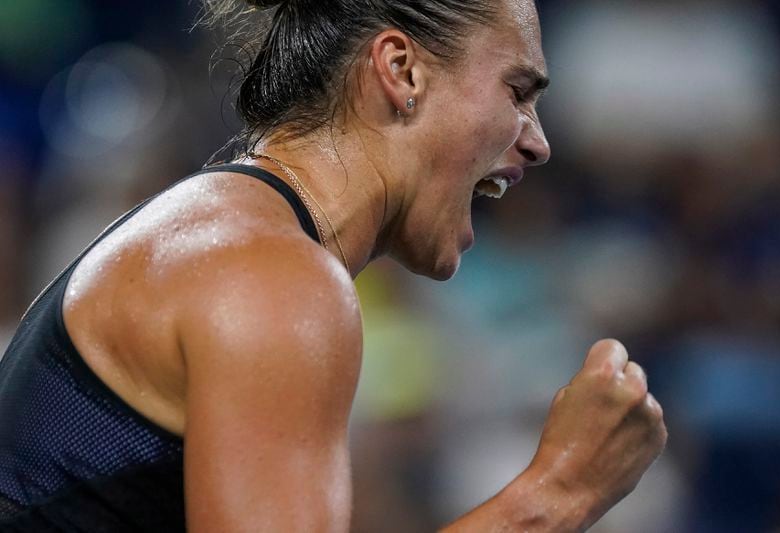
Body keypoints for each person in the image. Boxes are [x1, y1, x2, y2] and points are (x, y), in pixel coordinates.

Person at [0, 0, 667, 531]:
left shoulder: (231, 234)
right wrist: (559, 492)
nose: (539, 142)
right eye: (517, 91)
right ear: (402, 69)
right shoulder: (271, 274)